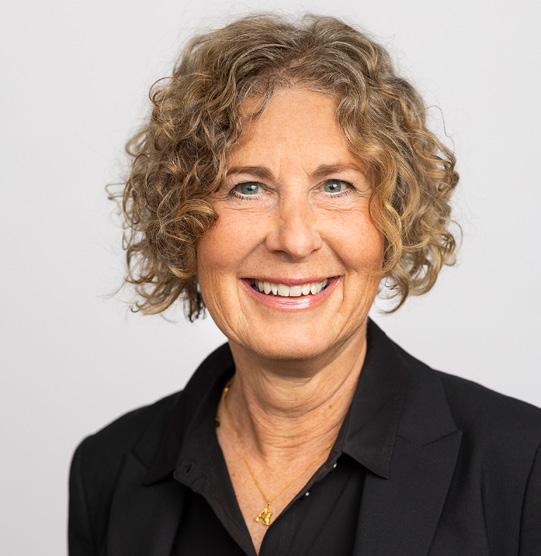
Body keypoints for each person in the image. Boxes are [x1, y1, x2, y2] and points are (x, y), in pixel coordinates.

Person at [68, 13, 541, 556]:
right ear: (182, 222)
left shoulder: (522, 467)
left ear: (393, 220)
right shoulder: (107, 471)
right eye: (247, 188)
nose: (294, 239)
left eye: (335, 186)